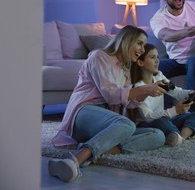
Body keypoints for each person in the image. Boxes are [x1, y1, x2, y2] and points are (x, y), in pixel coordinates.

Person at [48, 26, 166, 183]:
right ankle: (74, 160)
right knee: (127, 124)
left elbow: (129, 104)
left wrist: (147, 91)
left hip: (106, 124)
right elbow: (110, 95)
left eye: (144, 45)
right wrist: (145, 88)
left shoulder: (125, 69)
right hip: (83, 114)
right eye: (139, 43)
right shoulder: (99, 57)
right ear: (126, 40)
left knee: (157, 135)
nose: (142, 49)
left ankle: (92, 150)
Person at [133, 43, 195, 147]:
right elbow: (148, 117)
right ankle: (189, 133)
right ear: (140, 62)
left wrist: (190, 93)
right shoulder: (137, 86)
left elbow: (177, 92)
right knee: (163, 122)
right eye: (152, 57)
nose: (157, 61)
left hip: (165, 118)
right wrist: (175, 110)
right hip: (147, 123)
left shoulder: (159, 77)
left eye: (158, 57)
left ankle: (180, 138)